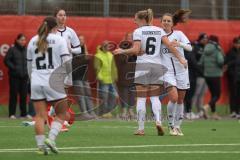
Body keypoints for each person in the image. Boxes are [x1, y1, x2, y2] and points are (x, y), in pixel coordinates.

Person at [114, 8, 187, 136]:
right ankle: (158, 121)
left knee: (141, 99)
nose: (134, 20)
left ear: (142, 19)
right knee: (154, 97)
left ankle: (141, 128)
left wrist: (122, 51)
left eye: (135, 18)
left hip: (143, 66)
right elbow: (170, 46)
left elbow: (136, 50)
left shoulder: (138, 31)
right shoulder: (159, 31)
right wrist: (180, 57)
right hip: (157, 66)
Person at [27, 16, 71, 155]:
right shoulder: (59, 39)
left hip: (36, 81)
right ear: (55, 27)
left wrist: (32, 79)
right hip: (53, 81)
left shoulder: (33, 40)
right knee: (62, 113)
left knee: (40, 116)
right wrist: (68, 79)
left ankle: (41, 147)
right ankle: (51, 139)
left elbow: (29, 65)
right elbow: (66, 61)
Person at [160, 9, 192, 136]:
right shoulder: (158, 36)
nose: (166, 23)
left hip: (181, 70)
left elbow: (190, 47)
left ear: (173, 23)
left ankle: (178, 126)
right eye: (164, 21)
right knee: (173, 97)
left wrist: (179, 44)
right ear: (161, 22)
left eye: (169, 21)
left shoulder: (179, 34)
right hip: (167, 72)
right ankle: (171, 125)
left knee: (180, 99)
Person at [4, 33, 30, 119]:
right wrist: (14, 68)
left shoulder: (27, 50)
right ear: (17, 40)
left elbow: (30, 61)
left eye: (24, 40)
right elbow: (6, 60)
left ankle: (24, 114)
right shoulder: (12, 49)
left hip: (24, 76)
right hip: (14, 76)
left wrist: (27, 71)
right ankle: (12, 114)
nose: (23, 41)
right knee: (13, 95)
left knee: (23, 95)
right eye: (21, 40)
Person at [200, 35, 224, 120]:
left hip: (207, 75)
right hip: (216, 75)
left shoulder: (205, 48)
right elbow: (220, 61)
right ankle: (206, 107)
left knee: (213, 94)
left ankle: (214, 114)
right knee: (217, 95)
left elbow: (201, 62)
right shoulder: (217, 48)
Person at [114, 32, 136, 120]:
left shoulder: (136, 47)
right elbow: (120, 59)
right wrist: (130, 52)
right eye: (129, 37)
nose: (130, 39)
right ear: (125, 38)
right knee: (123, 94)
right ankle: (124, 111)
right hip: (123, 74)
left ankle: (131, 111)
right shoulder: (121, 47)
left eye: (132, 37)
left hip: (133, 74)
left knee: (132, 94)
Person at [94, 41, 118, 118]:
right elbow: (97, 67)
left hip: (111, 80)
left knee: (114, 96)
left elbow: (113, 67)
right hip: (103, 80)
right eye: (107, 46)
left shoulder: (110, 55)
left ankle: (108, 111)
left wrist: (115, 76)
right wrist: (100, 77)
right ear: (103, 47)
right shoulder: (98, 56)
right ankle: (103, 112)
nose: (108, 48)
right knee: (104, 97)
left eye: (109, 47)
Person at [191, 33, 209, 117]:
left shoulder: (207, 47)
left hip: (206, 74)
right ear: (200, 39)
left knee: (202, 94)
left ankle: (199, 111)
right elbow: (194, 61)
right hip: (198, 74)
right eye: (203, 39)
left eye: (206, 39)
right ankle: (189, 110)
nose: (205, 40)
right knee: (196, 93)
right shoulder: (196, 47)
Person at [224, 37, 240, 118]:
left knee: (238, 95)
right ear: (234, 44)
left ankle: (238, 111)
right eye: (237, 43)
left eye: (239, 43)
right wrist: (231, 74)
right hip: (233, 77)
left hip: (238, 77)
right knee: (233, 94)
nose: (238, 45)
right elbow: (226, 65)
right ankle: (233, 111)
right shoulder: (230, 52)